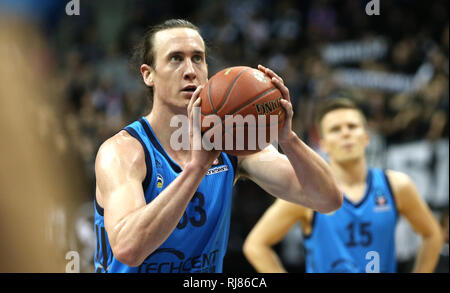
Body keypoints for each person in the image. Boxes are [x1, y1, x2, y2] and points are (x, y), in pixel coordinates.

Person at [93, 19, 342, 273]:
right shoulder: (123, 152)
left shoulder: (233, 146)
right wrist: (196, 169)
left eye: (198, 58)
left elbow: (327, 199)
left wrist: (288, 140)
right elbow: (128, 249)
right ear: (148, 74)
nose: (190, 70)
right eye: (176, 58)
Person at [243, 98, 444, 273]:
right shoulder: (307, 192)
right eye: (335, 129)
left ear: (366, 137)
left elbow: (433, 234)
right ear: (324, 143)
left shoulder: (397, 186)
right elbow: (255, 245)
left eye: (352, 126)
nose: (345, 133)